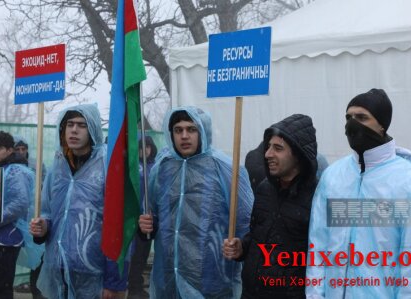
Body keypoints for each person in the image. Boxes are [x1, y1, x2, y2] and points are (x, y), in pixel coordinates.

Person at [306, 88, 411, 298]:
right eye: (348, 117)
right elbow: (318, 244)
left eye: (362, 117)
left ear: (382, 124)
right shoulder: (333, 177)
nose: (352, 124)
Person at [138, 106, 254, 299]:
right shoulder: (162, 168)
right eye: (178, 130)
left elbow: (246, 221)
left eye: (191, 129)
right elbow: (154, 218)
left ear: (203, 131)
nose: (184, 136)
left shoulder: (226, 169)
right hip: (168, 277)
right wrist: (146, 227)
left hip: (212, 279)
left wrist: (241, 247)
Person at [29, 104, 128, 298]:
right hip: (58, 269)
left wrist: (114, 281)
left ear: (93, 129)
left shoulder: (107, 166)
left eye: (81, 125)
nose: (74, 130)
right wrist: (44, 226)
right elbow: (49, 211)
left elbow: (119, 225)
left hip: (94, 272)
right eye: (70, 124)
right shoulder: (58, 166)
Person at [223, 114, 318, 299]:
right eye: (268, 147)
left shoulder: (317, 197)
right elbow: (257, 234)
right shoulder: (265, 189)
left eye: (278, 148)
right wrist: (241, 247)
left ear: (299, 155)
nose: (267, 154)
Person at [0, 131, 36, 299]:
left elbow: (20, 202)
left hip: (6, 239)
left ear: (9, 150)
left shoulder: (16, 172)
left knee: (1, 286)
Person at [13, 138, 47, 299]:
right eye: (17, 149)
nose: (20, 152)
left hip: (35, 215)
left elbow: (45, 186)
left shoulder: (37, 164)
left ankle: (37, 290)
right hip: (17, 221)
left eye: (23, 149)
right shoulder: (10, 169)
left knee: (37, 257)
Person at [128, 135, 158, 299]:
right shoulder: (134, 167)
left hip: (148, 219)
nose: (145, 150)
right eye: (141, 147)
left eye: (148, 146)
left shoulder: (155, 167)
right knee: (133, 254)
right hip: (132, 219)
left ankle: (137, 286)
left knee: (143, 253)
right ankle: (133, 288)